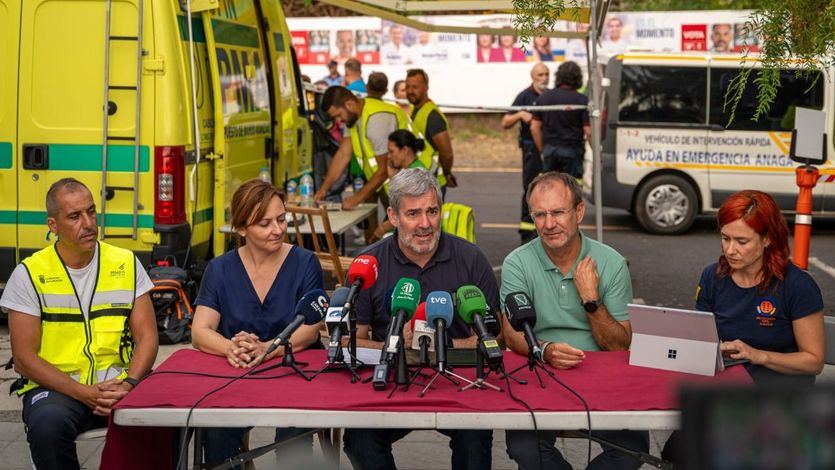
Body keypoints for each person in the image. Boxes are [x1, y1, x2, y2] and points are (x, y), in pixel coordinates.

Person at [343, 168, 498, 470]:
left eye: (432, 211)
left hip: (457, 380)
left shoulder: (472, 259)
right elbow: (352, 339)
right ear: (392, 216)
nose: (425, 224)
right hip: (389, 380)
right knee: (359, 439)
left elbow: (496, 337)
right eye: (413, 213)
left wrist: (447, 344)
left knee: (475, 437)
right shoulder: (370, 263)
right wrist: (396, 346)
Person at [1, 178, 158, 470]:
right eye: (75, 216)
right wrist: (83, 392)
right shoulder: (29, 274)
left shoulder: (125, 262)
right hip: (59, 390)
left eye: (91, 211)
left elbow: (148, 336)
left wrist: (130, 382)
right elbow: (23, 359)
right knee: (47, 427)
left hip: (120, 384)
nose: (87, 223)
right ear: (53, 225)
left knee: (173, 414)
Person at [661, 190, 825, 464]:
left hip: (780, 400)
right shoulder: (713, 276)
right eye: (725, 238)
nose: (730, 249)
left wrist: (758, 355)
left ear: (767, 239)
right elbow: (701, 338)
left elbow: (814, 361)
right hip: (725, 394)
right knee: (676, 453)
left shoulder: (797, 286)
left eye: (741, 241)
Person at [500, 172, 648, 470]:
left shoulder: (611, 263)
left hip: (603, 375)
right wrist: (545, 350)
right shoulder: (518, 262)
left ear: (579, 212)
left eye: (557, 212)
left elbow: (620, 345)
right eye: (540, 214)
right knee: (523, 446)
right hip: (541, 371)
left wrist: (591, 300)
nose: (549, 223)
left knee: (633, 449)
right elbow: (511, 334)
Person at [191, 179, 325, 468]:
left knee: (294, 444)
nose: (277, 230)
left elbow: (310, 330)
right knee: (216, 435)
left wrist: (268, 348)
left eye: (281, 219)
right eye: (264, 224)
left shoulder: (305, 262)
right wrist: (230, 348)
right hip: (239, 375)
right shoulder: (220, 269)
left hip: (294, 373)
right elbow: (200, 331)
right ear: (241, 229)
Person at [313, 86, 410, 210]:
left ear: (350, 105)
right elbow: (343, 154)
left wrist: (356, 199)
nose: (338, 121)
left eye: (338, 115)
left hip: (414, 181)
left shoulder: (376, 120)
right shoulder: (353, 118)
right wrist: (323, 189)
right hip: (391, 183)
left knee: (398, 227)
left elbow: (385, 168)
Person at [503, 63, 550, 244]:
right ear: (533, 77)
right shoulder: (524, 96)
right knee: (530, 188)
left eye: (546, 74)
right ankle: (527, 233)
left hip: (548, 149)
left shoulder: (550, 96)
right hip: (531, 150)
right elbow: (505, 122)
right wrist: (520, 115)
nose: (544, 78)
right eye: (540, 74)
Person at [531, 61, 590, 179]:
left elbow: (534, 128)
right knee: (572, 188)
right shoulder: (581, 100)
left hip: (550, 150)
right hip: (572, 151)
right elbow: (588, 131)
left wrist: (543, 150)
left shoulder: (543, 98)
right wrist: (597, 153)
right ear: (577, 78)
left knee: (550, 187)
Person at [370, 130, 428, 241]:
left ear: (405, 150)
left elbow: (408, 214)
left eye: (391, 151)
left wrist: (381, 229)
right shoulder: (411, 170)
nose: (388, 156)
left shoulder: (415, 175)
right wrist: (393, 177)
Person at [405, 68, 457, 190]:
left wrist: (447, 173)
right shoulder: (416, 110)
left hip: (433, 183)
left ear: (426, 88)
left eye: (415, 87)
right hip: (421, 180)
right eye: (407, 87)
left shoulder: (433, 116)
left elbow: (447, 154)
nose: (410, 91)